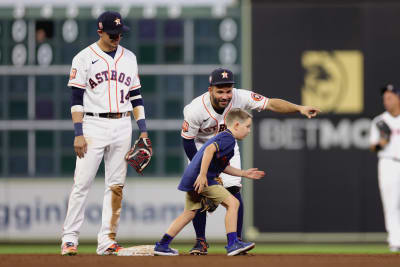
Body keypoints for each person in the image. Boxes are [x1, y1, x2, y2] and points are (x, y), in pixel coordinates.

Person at [181, 68, 320, 255]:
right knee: (199, 190)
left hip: (226, 143)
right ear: (210, 90)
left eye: (228, 90)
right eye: (220, 91)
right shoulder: (195, 109)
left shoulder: (240, 97)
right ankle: (200, 243)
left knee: (234, 188)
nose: (225, 95)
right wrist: (205, 173)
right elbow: (187, 141)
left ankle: (236, 242)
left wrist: (299, 108)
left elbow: (270, 104)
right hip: (200, 146)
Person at [61, 11, 151, 256]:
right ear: (100, 31)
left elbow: (136, 96)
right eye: (112, 34)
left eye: (120, 33)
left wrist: (143, 131)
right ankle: (69, 239)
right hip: (93, 124)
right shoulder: (83, 58)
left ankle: (107, 241)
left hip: (123, 124)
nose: (117, 37)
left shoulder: (129, 58)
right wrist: (78, 133)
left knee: (116, 186)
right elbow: (76, 99)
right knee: (82, 183)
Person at [154, 108, 265, 256]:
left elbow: (223, 166)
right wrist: (203, 175)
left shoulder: (225, 138)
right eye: (247, 126)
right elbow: (209, 150)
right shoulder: (228, 138)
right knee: (234, 203)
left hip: (192, 178)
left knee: (189, 213)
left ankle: (162, 244)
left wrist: (243, 173)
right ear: (237, 125)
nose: (249, 130)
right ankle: (233, 243)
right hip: (201, 179)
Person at [369, 84, 400, 252]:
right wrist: (381, 143)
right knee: (391, 204)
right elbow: (372, 146)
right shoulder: (380, 121)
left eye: (389, 97)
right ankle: (395, 242)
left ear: (398, 97)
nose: (386, 101)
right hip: (388, 163)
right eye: (384, 99)